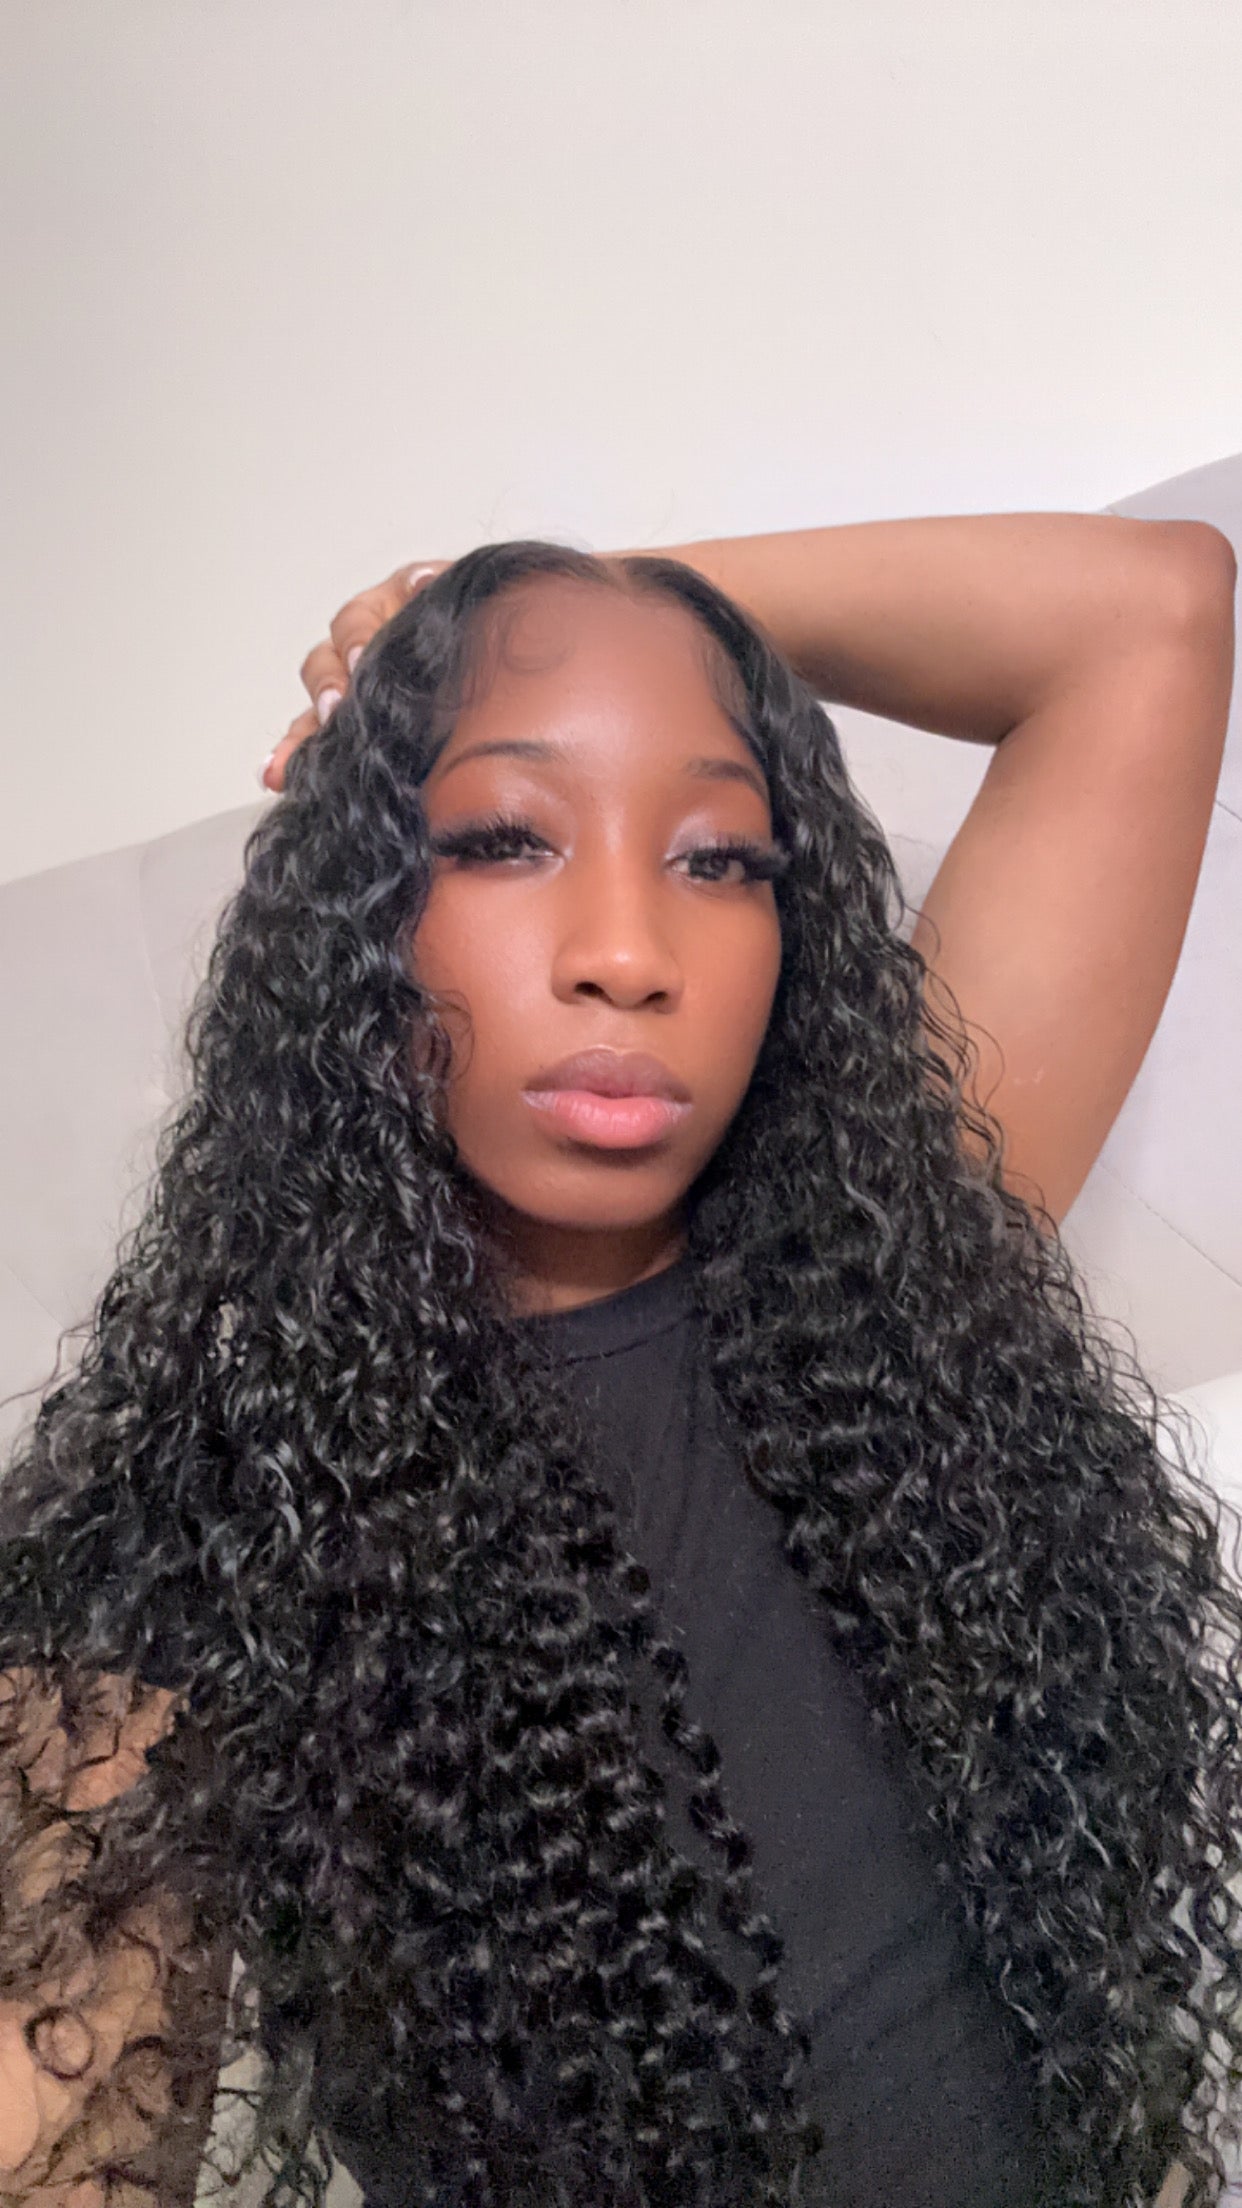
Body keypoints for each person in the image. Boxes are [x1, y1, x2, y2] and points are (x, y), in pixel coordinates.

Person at [0, 518, 1239, 2208]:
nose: (630, 953)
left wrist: (554, 603)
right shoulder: (197, 1544)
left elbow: (1150, 610)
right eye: (503, 837)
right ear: (353, 920)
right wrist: (477, 641)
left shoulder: (890, 1286)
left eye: (718, 859)